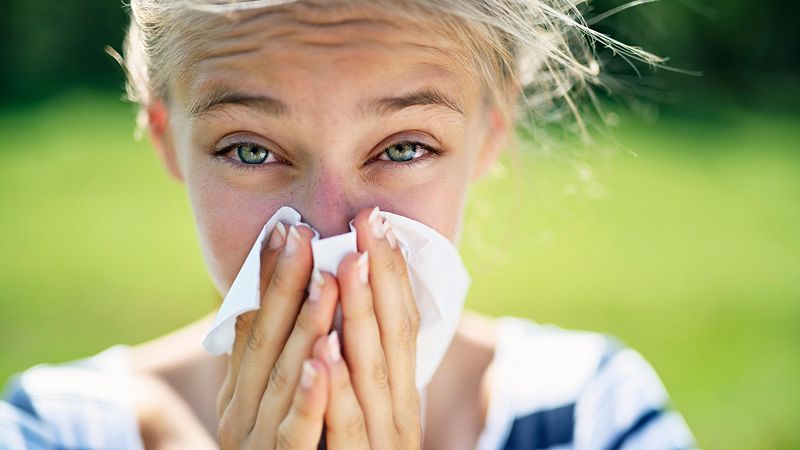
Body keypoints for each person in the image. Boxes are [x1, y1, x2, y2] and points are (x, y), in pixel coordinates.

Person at [1, 0, 698, 449]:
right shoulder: (52, 428)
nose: (331, 234)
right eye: (250, 150)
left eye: (403, 149)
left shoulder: (593, 416)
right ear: (165, 138)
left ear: (490, 133)